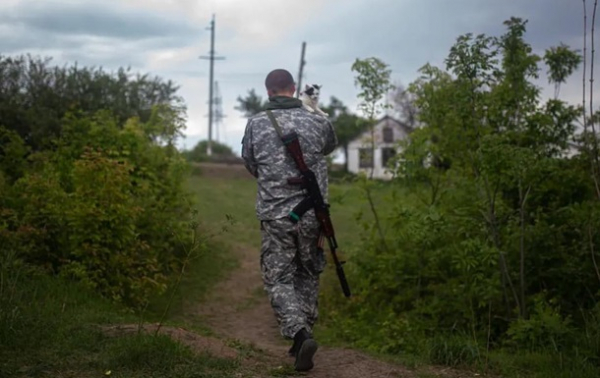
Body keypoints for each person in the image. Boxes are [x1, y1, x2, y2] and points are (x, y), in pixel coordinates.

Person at [241, 68, 337, 371]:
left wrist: (273, 181)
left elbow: (250, 162)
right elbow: (329, 147)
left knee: (278, 277)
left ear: (268, 91)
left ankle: (299, 333)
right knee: (308, 271)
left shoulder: (256, 124)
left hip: (275, 214)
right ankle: (303, 337)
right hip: (312, 213)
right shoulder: (319, 121)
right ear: (294, 89)